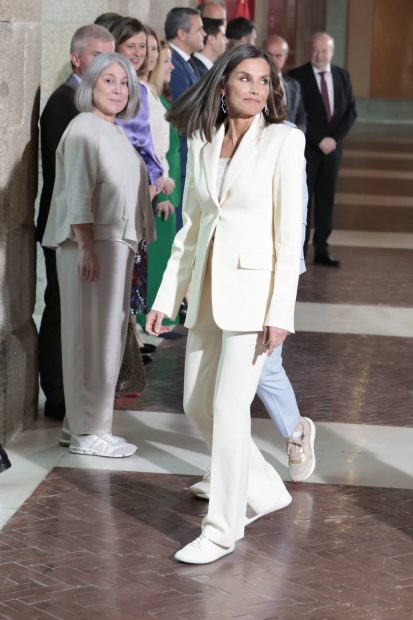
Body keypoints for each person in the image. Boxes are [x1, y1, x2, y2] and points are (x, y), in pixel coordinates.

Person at [147, 44, 305, 564]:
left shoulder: (284, 141)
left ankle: (223, 528)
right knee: (196, 402)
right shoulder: (202, 141)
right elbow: (194, 227)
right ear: (223, 86)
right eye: (246, 79)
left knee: (228, 409)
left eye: (264, 80)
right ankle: (264, 489)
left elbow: (290, 236)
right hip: (209, 295)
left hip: (255, 300)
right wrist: (167, 296)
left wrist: (280, 314)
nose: (257, 89)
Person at [42, 52, 155, 457]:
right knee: (90, 339)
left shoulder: (113, 129)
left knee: (102, 338)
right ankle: (91, 432)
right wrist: (86, 245)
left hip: (114, 243)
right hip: (93, 245)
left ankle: (79, 426)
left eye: (124, 82)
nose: (118, 89)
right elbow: (78, 192)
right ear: (91, 84)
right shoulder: (84, 129)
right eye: (109, 81)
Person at [36, 25, 115, 423]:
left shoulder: (91, 104)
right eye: (98, 56)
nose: (106, 65)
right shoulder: (63, 103)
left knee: (78, 310)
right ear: (76, 59)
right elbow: (69, 174)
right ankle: (55, 392)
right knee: (59, 308)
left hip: (88, 226)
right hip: (65, 225)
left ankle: (73, 385)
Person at [109, 17, 164, 330]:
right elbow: (134, 138)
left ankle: (125, 352)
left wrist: (155, 176)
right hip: (120, 190)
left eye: (142, 46)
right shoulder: (121, 85)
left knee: (131, 283)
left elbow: (146, 140)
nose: (139, 52)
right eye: (132, 46)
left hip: (142, 186)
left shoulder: (139, 87)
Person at [289, 32, 357, 266]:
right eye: (315, 50)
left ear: (332, 51)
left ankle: (321, 250)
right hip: (307, 148)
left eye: (324, 50)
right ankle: (299, 250)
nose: (318, 55)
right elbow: (297, 115)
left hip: (333, 151)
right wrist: (318, 140)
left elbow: (350, 112)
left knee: (327, 200)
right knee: (303, 200)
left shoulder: (342, 76)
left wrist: (334, 140)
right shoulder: (296, 77)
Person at [165, 7, 206, 229]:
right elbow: (185, 112)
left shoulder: (186, 62)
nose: (204, 34)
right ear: (182, 33)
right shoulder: (176, 66)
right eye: (199, 29)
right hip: (178, 156)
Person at [263, 35, 306, 132]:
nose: (273, 60)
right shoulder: (256, 84)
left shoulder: (294, 85)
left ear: (285, 57)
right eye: (269, 55)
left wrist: (297, 135)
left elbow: (302, 117)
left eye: (278, 56)